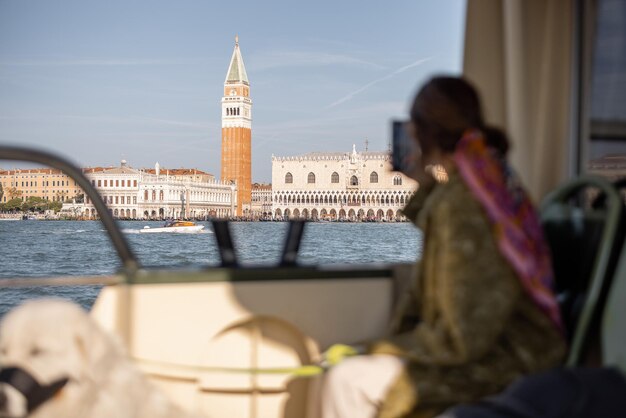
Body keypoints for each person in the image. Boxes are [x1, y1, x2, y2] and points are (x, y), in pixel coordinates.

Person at [320, 76, 567, 418]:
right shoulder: (484, 179)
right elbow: (430, 215)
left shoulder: (466, 202)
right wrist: (422, 174)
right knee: (352, 368)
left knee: (347, 380)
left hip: (509, 358)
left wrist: (379, 348)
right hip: (507, 346)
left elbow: (463, 337)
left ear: (423, 132)